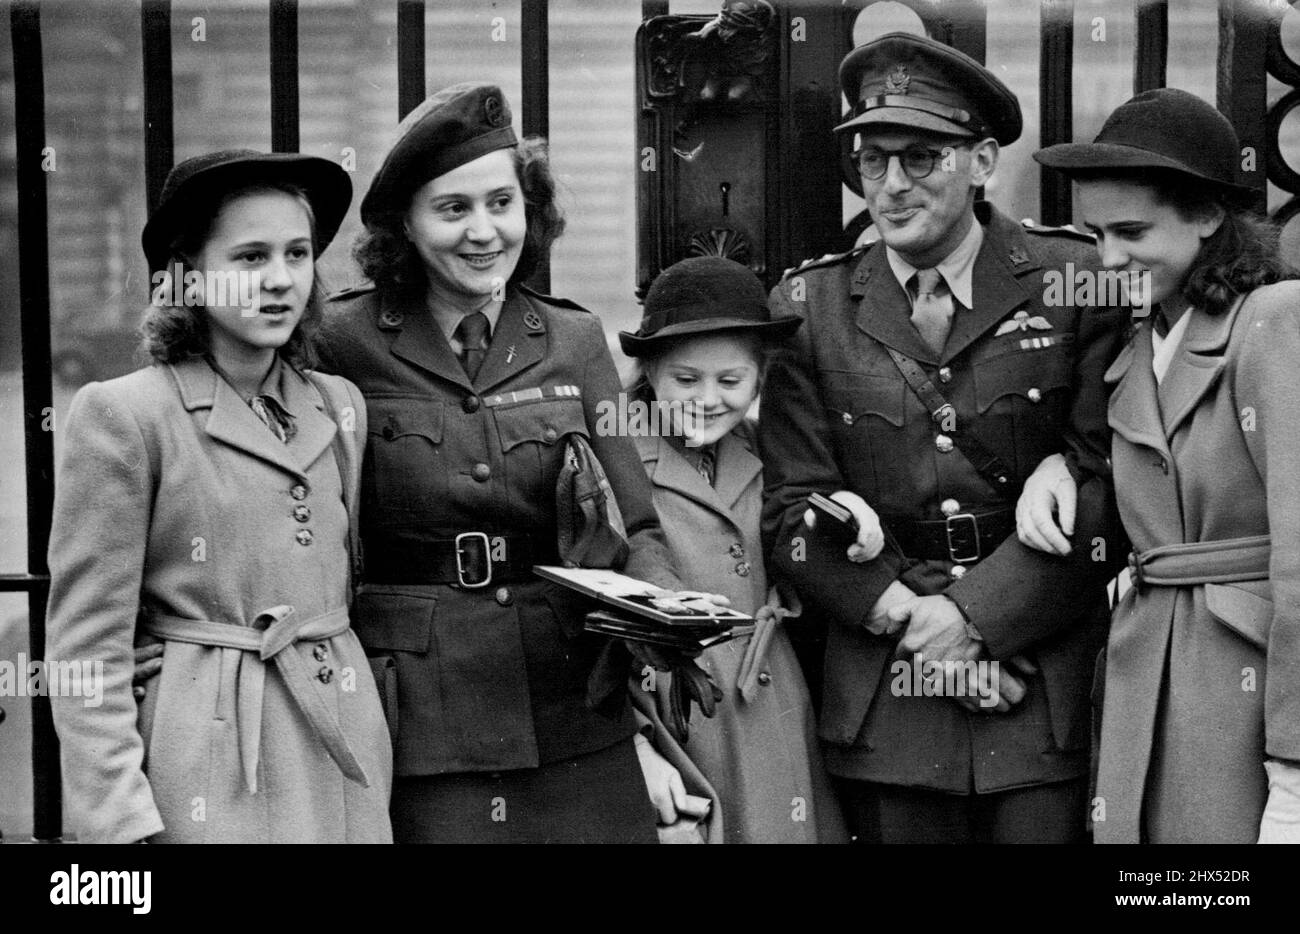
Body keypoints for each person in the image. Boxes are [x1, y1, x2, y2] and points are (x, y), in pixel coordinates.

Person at [316, 82, 722, 843]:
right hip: (426, 725)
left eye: (501, 203)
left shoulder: (572, 339)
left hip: (573, 708)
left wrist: (667, 612)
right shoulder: (342, 340)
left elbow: (636, 522)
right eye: (453, 209)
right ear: (405, 223)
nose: (483, 232)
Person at [758, 33, 1126, 844]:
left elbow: (1110, 488)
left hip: (1035, 685)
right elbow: (791, 511)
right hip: (889, 694)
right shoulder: (808, 309)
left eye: (920, 157)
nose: (890, 186)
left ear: (984, 160)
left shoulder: (1073, 286)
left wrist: (977, 618)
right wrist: (918, 626)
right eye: (871, 160)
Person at [46, 150, 393, 843]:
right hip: (210, 755)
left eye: (296, 254)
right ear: (188, 278)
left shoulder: (339, 406)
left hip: (341, 748)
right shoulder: (126, 414)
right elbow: (86, 645)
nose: (278, 280)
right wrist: (119, 821)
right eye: (249, 257)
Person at [1019, 87, 1300, 844]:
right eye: (1095, 234)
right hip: (1150, 668)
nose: (1107, 259)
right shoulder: (1141, 342)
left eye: (1131, 231)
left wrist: (1295, 767)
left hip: (1243, 694)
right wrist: (1059, 466)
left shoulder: (1275, 322)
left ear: (1208, 216)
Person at [618, 255, 846, 843]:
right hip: (681, 708)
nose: (708, 399)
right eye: (685, 380)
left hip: (775, 691)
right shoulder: (611, 464)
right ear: (648, 373)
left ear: (761, 379)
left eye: (731, 381)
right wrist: (635, 742)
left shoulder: (772, 452)